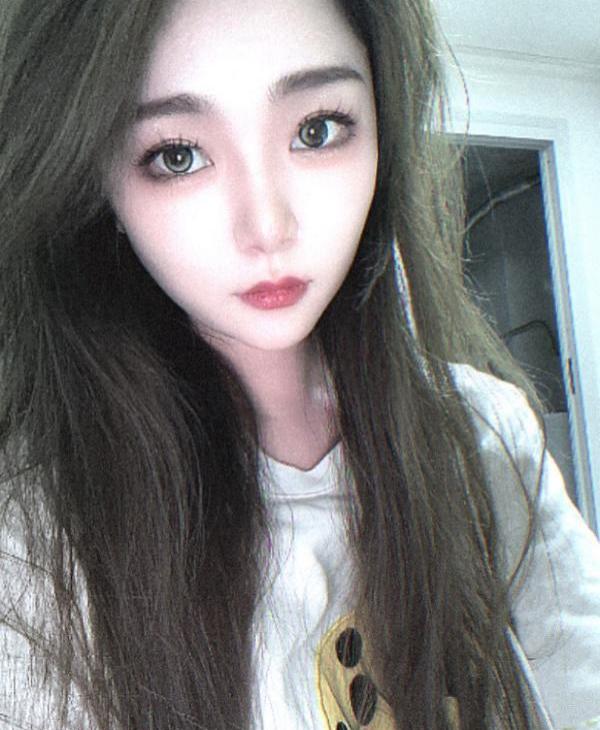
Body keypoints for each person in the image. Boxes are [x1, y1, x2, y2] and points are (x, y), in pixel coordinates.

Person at [0, 0, 599, 728]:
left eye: (317, 130)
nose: (268, 226)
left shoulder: (483, 434)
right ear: (96, 181)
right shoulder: (37, 541)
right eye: (177, 155)